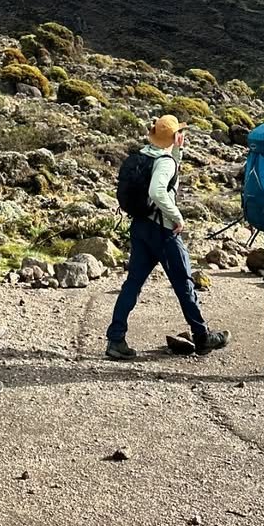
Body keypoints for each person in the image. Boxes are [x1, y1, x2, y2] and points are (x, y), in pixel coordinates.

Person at [105, 115, 231, 361]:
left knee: (132, 284)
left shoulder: (144, 155)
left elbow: (165, 174)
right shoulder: (164, 162)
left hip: (140, 227)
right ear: (173, 137)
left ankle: (115, 339)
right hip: (163, 231)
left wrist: (177, 151)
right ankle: (203, 337)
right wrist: (177, 217)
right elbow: (158, 190)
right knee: (184, 284)